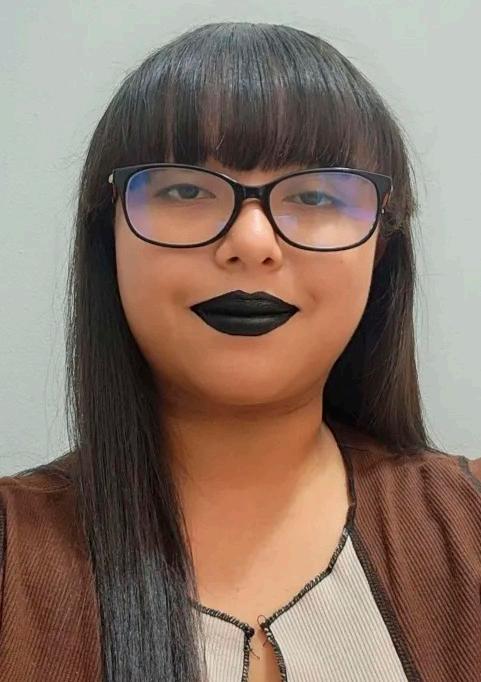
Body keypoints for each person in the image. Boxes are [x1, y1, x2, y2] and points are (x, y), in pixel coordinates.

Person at [0, 20, 479, 682]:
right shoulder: (14, 555)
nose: (252, 244)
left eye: (315, 194)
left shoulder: (468, 526)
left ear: (382, 246)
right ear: (108, 235)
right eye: (185, 190)